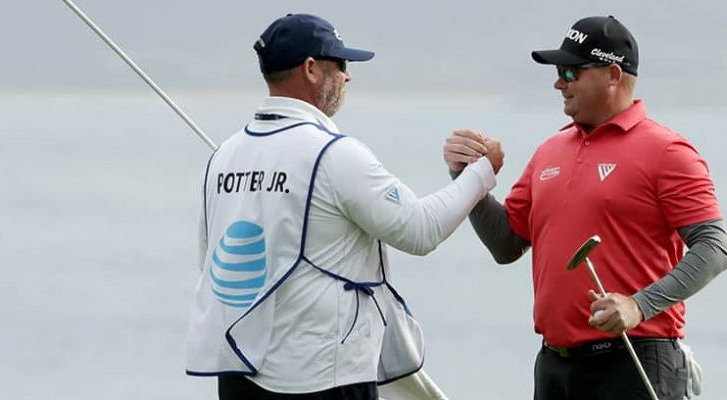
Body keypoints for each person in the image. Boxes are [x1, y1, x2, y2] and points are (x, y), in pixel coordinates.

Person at [185, 13, 503, 400]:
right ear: (311, 69)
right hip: (322, 376)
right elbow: (420, 230)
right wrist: (482, 172)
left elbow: (210, 262)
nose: (347, 76)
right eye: (341, 64)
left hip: (238, 371)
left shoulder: (223, 156)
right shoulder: (334, 154)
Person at [443, 15, 727, 400]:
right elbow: (506, 244)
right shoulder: (549, 151)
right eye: (559, 72)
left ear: (613, 74)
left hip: (635, 359)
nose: (559, 83)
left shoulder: (667, 151)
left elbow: (715, 246)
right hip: (555, 366)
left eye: (571, 72)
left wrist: (639, 305)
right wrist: (468, 177)